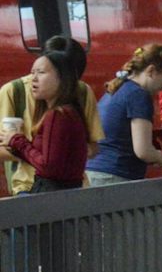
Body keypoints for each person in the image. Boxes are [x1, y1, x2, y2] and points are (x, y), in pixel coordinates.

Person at [0, 36, 104, 195]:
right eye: (34, 71)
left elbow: (50, 164)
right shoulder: (13, 91)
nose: (34, 78)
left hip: (52, 192)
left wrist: (19, 143)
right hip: (27, 187)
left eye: (41, 72)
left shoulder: (64, 108)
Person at [86, 44, 162, 187]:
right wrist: (159, 156)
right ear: (151, 71)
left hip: (94, 173)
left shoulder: (119, 88)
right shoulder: (139, 95)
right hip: (115, 176)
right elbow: (143, 150)